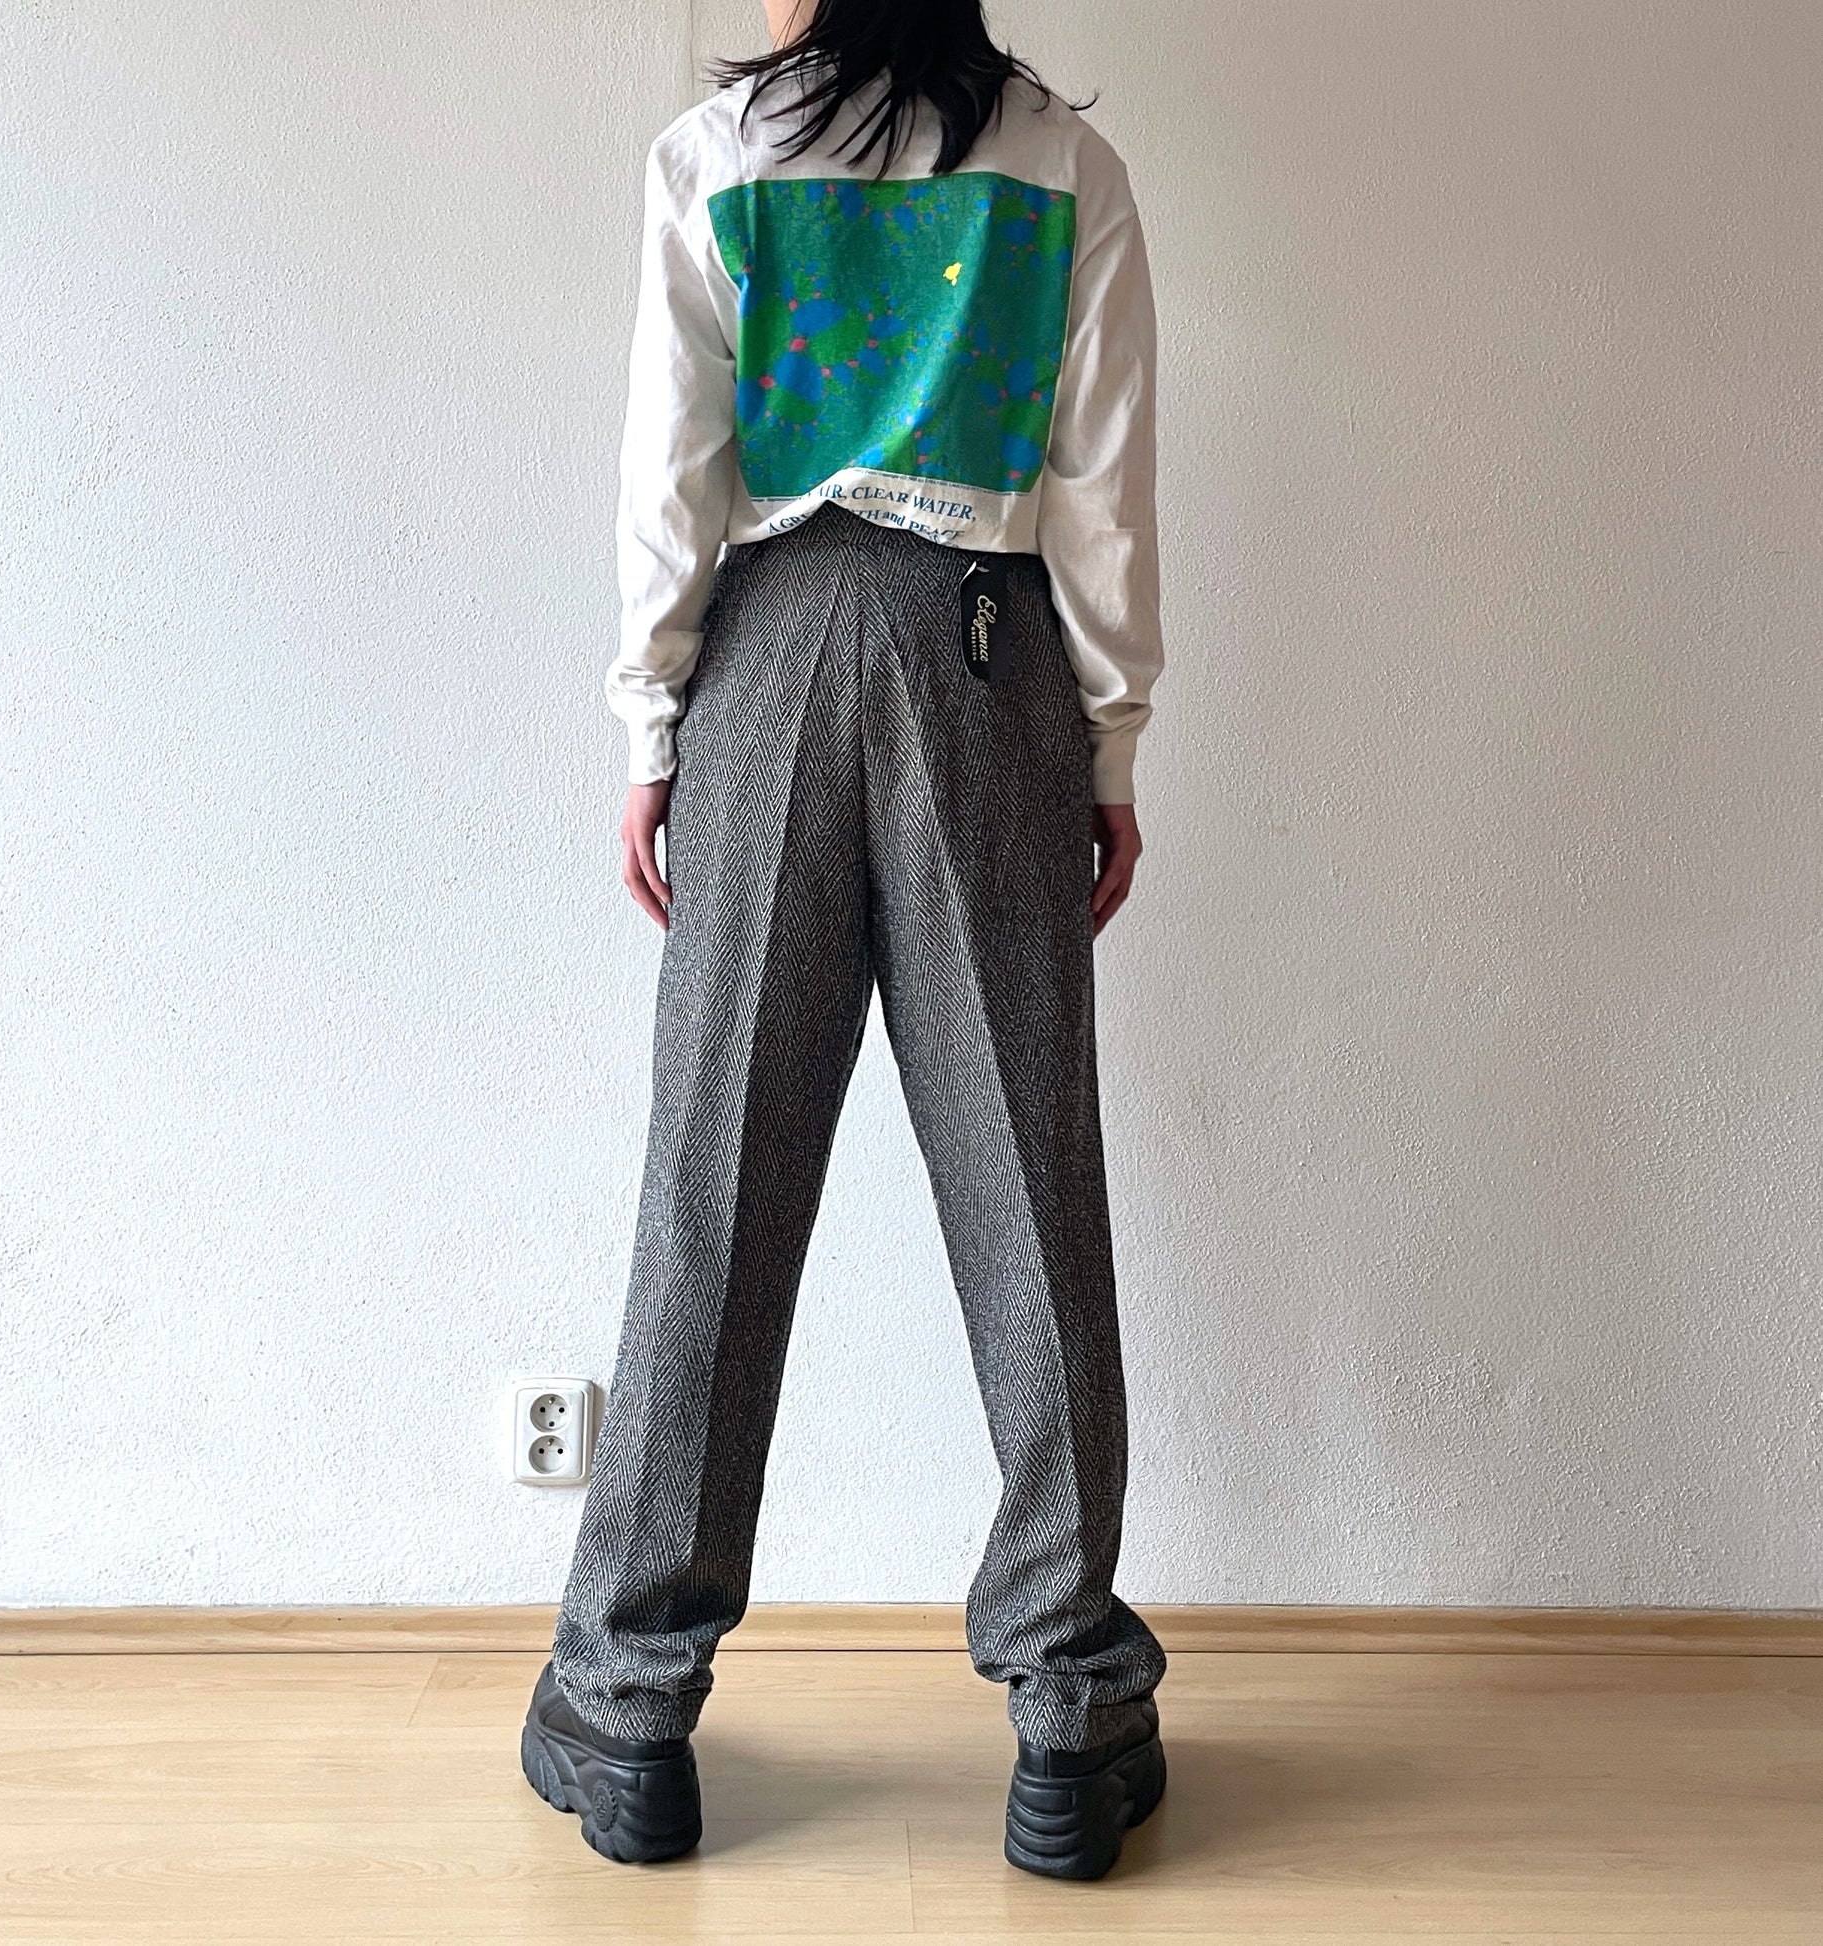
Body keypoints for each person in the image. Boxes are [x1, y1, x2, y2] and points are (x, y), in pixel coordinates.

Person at [523, 0, 1169, 1882]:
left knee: (714, 1181)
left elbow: (672, 470)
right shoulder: (1064, 163)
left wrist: (652, 731)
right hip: (987, 657)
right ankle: (1067, 1712)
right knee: (1027, 1185)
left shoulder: (712, 159)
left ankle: (627, 1710)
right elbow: (1102, 490)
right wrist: (1107, 744)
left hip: (771, 662)